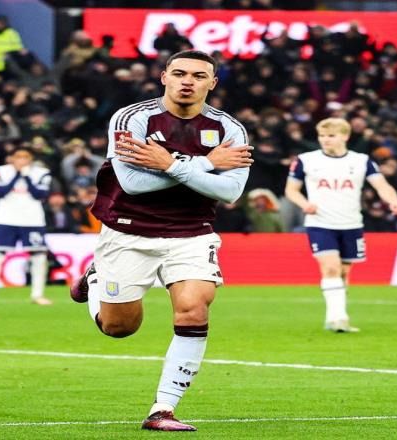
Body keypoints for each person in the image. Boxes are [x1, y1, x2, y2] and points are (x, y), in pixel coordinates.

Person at [70, 50, 253, 431]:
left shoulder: (229, 129)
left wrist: (167, 164)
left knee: (194, 310)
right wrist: (206, 163)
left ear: (212, 83)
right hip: (128, 229)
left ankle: (163, 409)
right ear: (164, 77)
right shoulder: (132, 118)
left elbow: (229, 191)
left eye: (198, 76)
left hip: (192, 230)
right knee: (119, 328)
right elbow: (134, 183)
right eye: (180, 73)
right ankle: (94, 279)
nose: (188, 81)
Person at [285, 118, 397, 333]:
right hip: (320, 223)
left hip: (351, 224)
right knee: (331, 267)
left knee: (343, 273)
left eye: (331, 136)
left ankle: (335, 317)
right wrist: (305, 204)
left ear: (345, 136)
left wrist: (393, 201)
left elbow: (381, 185)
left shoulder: (362, 161)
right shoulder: (305, 160)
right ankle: (338, 318)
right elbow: (291, 190)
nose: (325, 140)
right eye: (322, 136)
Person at [0, 146, 53, 306]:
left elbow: (40, 194)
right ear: (12, 158)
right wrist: (17, 175)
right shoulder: (0, 171)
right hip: (5, 218)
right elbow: (0, 192)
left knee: (39, 257)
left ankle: (37, 294)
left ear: (31, 159)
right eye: (18, 157)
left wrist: (26, 177)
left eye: (25, 157)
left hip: (32, 220)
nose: (22, 160)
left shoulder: (42, 173)